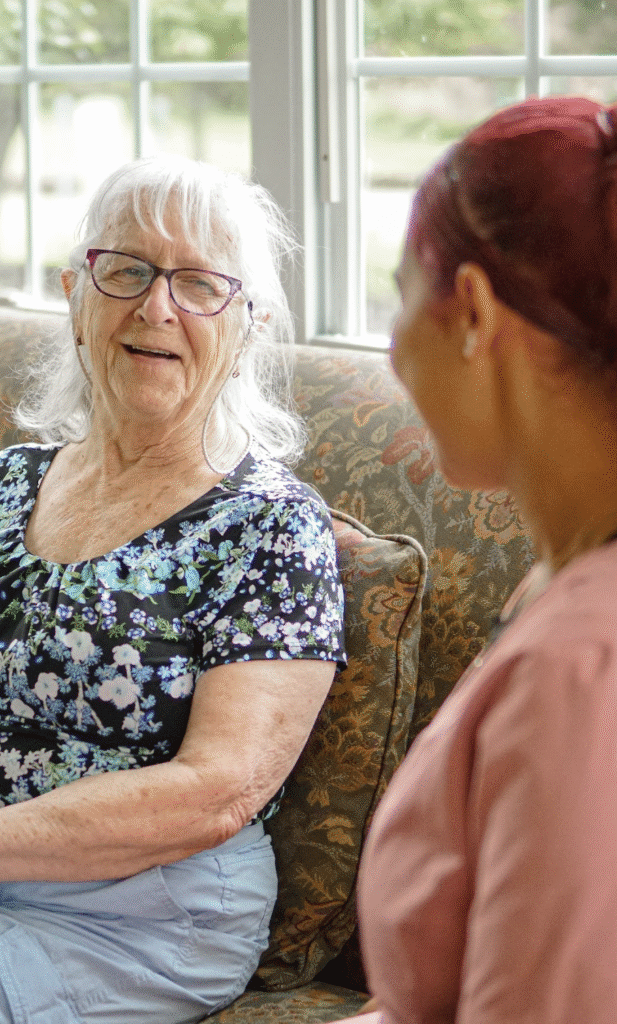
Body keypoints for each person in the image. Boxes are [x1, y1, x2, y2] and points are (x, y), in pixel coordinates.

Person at [0, 155, 345, 1022]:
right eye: (126, 270)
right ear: (75, 295)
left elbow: (219, 789)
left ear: (248, 323)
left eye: (200, 283)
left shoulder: (272, 526)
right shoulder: (10, 481)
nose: (157, 306)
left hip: (144, 911)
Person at [355, 95, 617, 1023]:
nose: (393, 346)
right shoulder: (559, 586)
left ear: (471, 310)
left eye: (401, 295)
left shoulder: (578, 673)